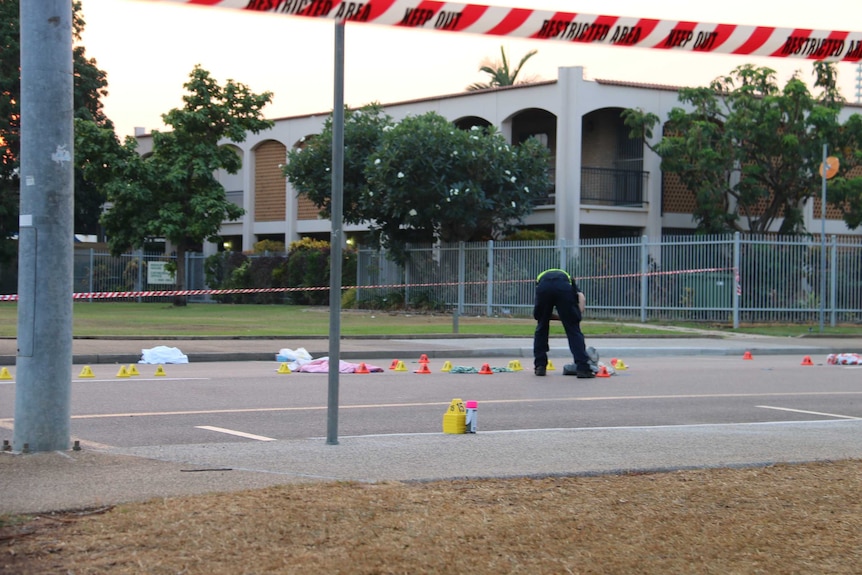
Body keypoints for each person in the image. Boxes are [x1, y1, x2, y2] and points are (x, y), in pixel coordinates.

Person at [533, 268, 594, 378]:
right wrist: (575, 316)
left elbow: (539, 315)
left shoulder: (540, 279)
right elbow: (581, 297)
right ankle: (583, 369)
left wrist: (550, 317)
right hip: (563, 289)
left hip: (544, 288)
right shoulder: (570, 281)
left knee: (541, 326)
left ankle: (540, 366)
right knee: (573, 330)